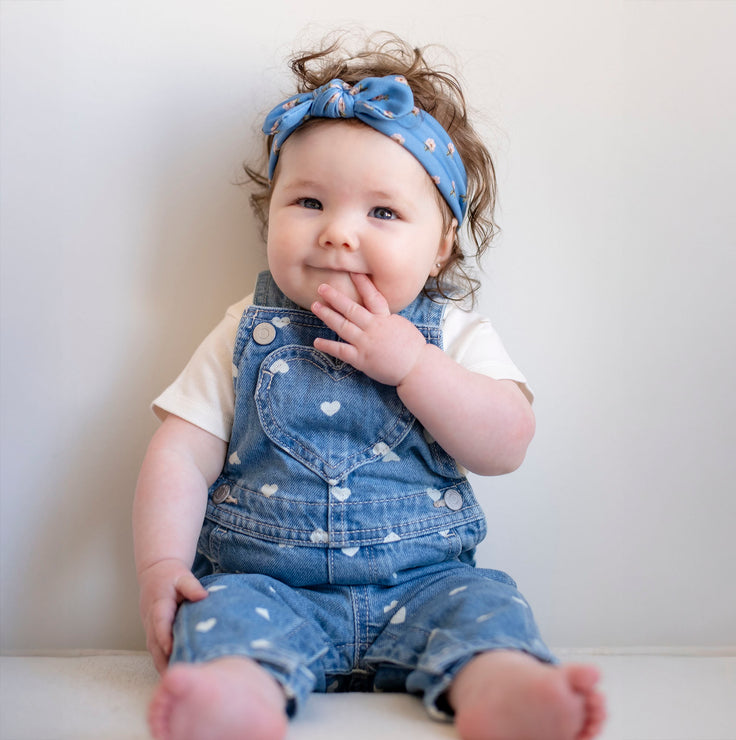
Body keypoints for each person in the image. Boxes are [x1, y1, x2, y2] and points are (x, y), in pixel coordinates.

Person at [134, 32, 606, 740]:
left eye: (382, 213)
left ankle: (505, 693)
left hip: (426, 585)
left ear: (440, 244)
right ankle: (234, 700)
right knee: (221, 616)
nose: (338, 234)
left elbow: (506, 444)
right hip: (272, 588)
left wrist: (415, 365)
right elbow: (179, 453)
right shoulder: (245, 331)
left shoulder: (454, 336)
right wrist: (160, 563)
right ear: (271, 213)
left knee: (488, 612)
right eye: (309, 202)